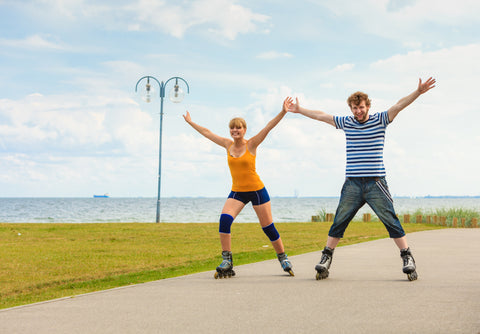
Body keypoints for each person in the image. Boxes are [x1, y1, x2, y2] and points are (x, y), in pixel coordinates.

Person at [288, 77, 436, 281]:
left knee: (390, 220)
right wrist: (300, 109)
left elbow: (399, 105)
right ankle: (326, 258)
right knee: (339, 220)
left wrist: (418, 91)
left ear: (368, 106)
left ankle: (407, 257)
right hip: (353, 184)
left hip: (376, 182)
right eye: (354, 108)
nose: (357, 111)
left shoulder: (381, 120)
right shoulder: (346, 122)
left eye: (360, 107)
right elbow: (322, 116)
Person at [183, 97, 295, 278]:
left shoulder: (251, 144)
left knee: (268, 227)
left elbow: (268, 126)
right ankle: (227, 260)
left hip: (257, 191)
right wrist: (190, 122)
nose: (235, 130)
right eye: (232, 128)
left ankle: (283, 257)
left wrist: (283, 111)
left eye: (238, 127)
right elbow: (207, 132)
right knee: (225, 220)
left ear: (244, 130)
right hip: (237, 192)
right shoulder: (227, 145)